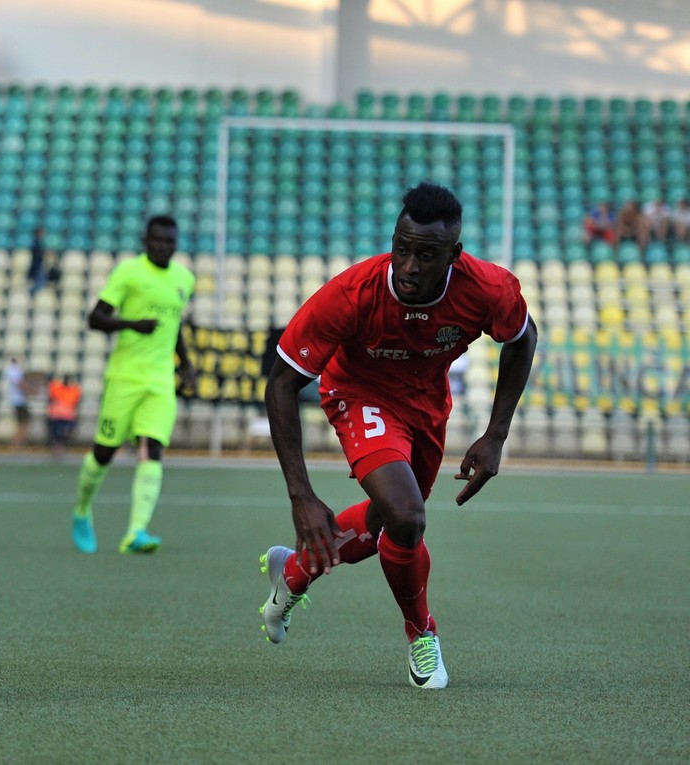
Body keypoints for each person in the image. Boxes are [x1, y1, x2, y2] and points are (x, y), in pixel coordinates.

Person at [258, 182, 536, 691]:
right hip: (358, 393)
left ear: (453, 255)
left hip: (426, 407)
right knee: (407, 517)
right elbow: (282, 380)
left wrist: (496, 435)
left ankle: (293, 574)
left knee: (391, 519)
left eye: (425, 255)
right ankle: (421, 636)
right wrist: (301, 495)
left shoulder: (488, 289)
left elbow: (522, 338)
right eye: (401, 249)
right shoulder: (351, 294)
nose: (408, 266)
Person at [70, 215, 195, 555]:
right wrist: (131, 324)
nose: (165, 247)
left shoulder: (184, 278)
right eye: (158, 240)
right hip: (125, 377)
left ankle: (135, 532)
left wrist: (186, 366)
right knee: (104, 453)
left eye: (171, 241)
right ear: (145, 240)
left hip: (160, 381)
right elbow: (95, 318)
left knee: (152, 448)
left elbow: (174, 326)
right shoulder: (129, 272)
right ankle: (82, 510)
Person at [45, 373, 82, 460]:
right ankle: (57, 451)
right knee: (56, 435)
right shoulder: (56, 388)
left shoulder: (74, 390)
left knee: (62, 434)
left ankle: (60, 450)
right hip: (56, 415)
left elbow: (76, 402)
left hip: (67, 416)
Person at [3, 355, 29, 449]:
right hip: (18, 400)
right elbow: (19, 384)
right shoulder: (14, 371)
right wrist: (30, 390)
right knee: (23, 422)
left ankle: (17, 442)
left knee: (23, 422)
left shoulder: (11, 370)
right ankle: (16, 443)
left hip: (18, 400)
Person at [27, 227, 47, 294]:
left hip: (38, 264)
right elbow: (36, 254)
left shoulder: (37, 242)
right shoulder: (36, 242)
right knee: (38, 281)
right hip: (36, 264)